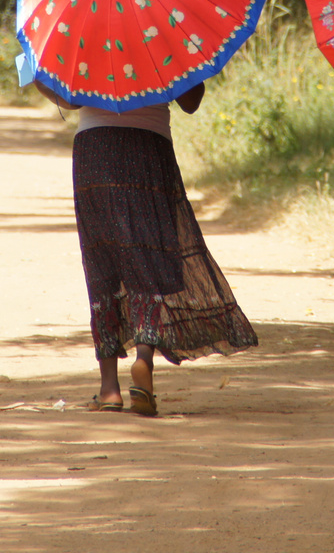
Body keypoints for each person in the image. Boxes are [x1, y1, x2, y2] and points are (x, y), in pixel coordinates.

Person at [36, 78, 257, 415]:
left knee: (103, 260)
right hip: (149, 149)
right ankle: (143, 361)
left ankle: (109, 388)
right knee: (149, 253)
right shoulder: (164, 29)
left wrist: (41, 81)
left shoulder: (87, 31)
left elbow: (71, 101)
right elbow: (191, 101)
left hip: (95, 149)